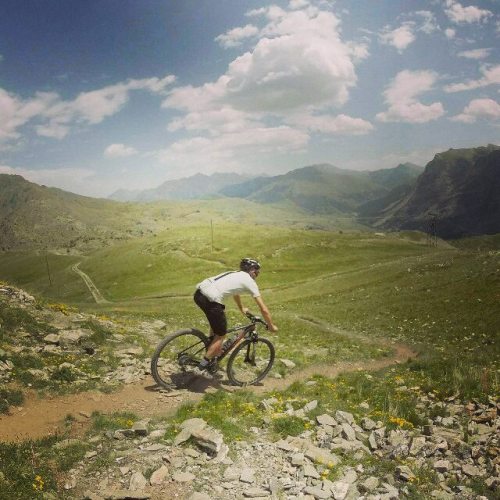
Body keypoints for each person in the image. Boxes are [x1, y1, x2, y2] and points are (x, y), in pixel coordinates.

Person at [193, 257, 278, 371]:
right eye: (257, 271)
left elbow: (235, 292)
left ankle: (211, 350)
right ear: (252, 270)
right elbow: (263, 309)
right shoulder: (250, 282)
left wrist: (241, 307)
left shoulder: (235, 273)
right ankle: (202, 366)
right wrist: (271, 326)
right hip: (212, 300)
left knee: (216, 326)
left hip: (199, 294)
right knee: (221, 335)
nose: (257, 274)